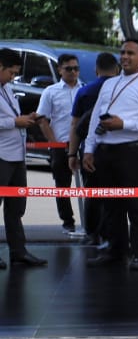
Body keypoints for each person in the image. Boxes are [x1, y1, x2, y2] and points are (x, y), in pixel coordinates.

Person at [82, 38, 138, 270]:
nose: (125, 57)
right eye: (122, 53)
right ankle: (115, 250)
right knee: (111, 205)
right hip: (107, 152)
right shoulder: (108, 85)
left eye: (130, 53)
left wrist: (123, 124)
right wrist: (89, 149)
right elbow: (95, 118)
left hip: (135, 153)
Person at [0, 47, 48, 268]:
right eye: (11, 72)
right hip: (1, 154)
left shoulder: (7, 89)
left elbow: (10, 115)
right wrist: (14, 122)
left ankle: (18, 251)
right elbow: (8, 120)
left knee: (17, 206)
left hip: (17, 154)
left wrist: (26, 118)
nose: (13, 77)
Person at [69, 52, 121, 246]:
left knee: (93, 193)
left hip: (90, 150)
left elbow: (75, 125)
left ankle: (93, 234)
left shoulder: (84, 92)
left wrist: (72, 153)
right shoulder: (121, 90)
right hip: (117, 149)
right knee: (116, 194)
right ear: (116, 69)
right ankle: (112, 235)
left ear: (96, 69)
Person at [36, 53, 82, 234]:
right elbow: (42, 119)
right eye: (68, 69)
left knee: (90, 186)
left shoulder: (84, 89)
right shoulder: (51, 92)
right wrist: (53, 143)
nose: (73, 72)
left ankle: (92, 224)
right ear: (59, 70)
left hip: (82, 146)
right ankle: (67, 221)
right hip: (60, 145)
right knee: (62, 186)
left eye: (76, 68)